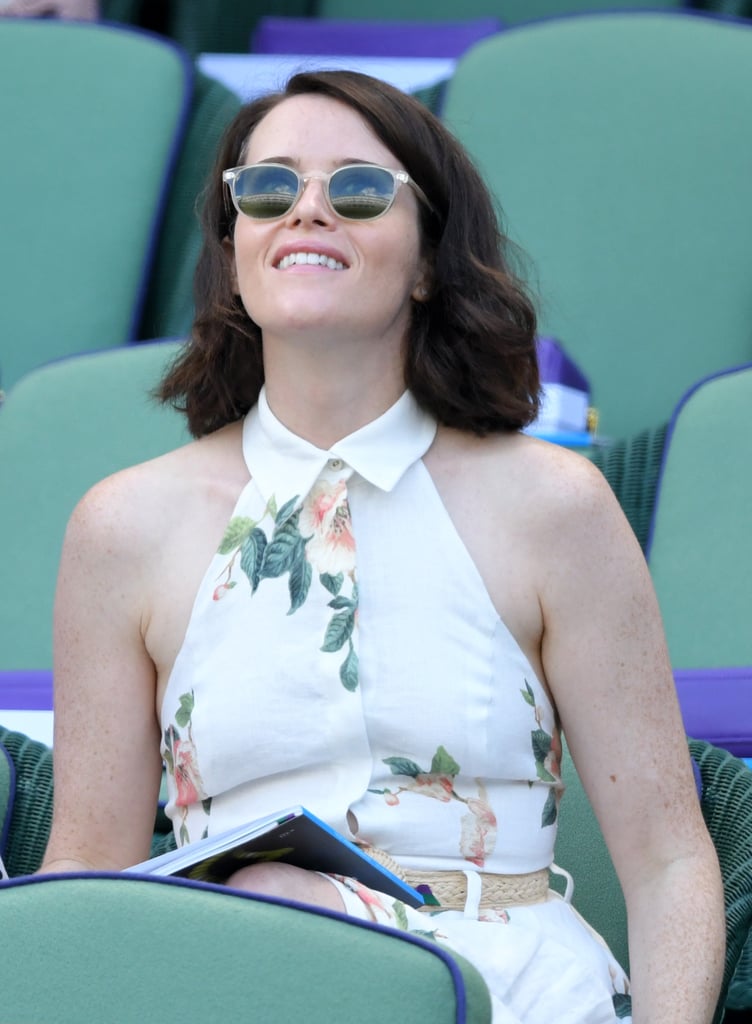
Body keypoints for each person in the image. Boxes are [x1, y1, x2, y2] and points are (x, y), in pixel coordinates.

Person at [40, 69, 724, 1023]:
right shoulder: (122, 527)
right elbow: (88, 870)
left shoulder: (552, 505)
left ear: (428, 260)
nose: (307, 210)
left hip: (508, 991)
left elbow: (669, 858)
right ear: (235, 246)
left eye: (357, 190)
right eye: (268, 190)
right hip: (238, 986)